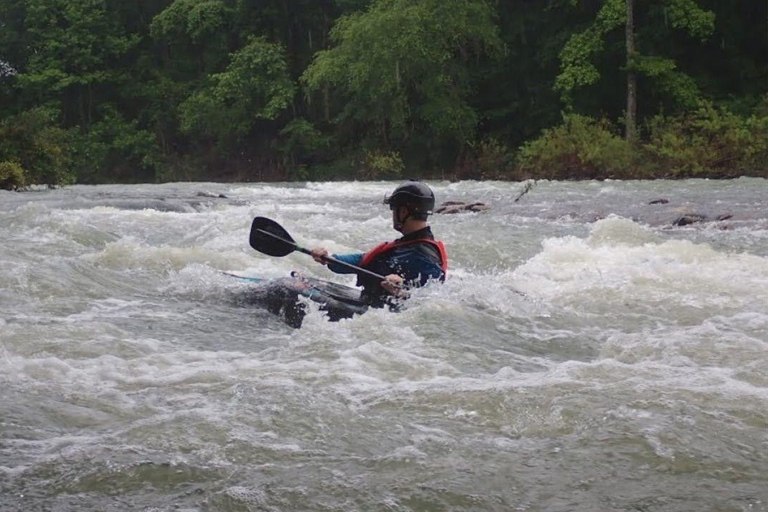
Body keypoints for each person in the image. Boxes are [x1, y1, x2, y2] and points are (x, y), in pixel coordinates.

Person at [311, 181, 448, 308]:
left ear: (404, 212)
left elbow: (431, 297)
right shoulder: (405, 246)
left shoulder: (424, 255)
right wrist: (329, 259)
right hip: (378, 307)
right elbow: (362, 261)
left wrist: (402, 289)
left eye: (394, 209)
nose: (393, 214)